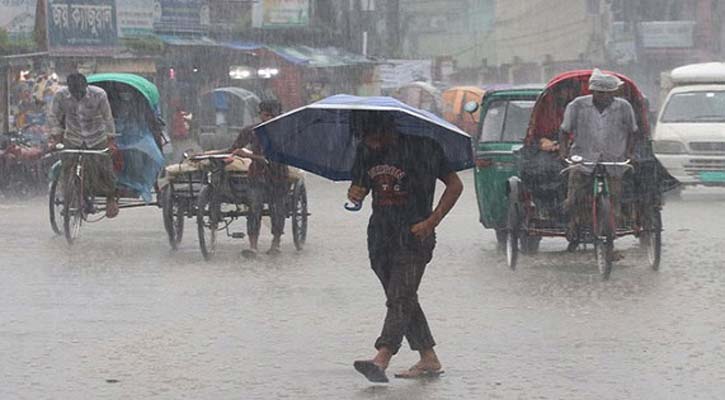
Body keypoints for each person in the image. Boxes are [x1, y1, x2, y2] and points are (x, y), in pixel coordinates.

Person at [347, 111, 463, 382]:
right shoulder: (365, 150)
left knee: (400, 297)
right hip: (379, 236)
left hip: (414, 235)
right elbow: (361, 187)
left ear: (388, 130)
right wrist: (355, 194)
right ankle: (429, 358)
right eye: (366, 138)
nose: (372, 144)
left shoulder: (423, 148)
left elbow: (455, 186)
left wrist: (433, 221)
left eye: (375, 138)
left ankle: (382, 357)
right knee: (403, 297)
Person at [559, 68, 637, 250]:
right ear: (593, 91)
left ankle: (608, 236)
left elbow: (633, 132)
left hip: (614, 158)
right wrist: (563, 152)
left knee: (614, 199)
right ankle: (575, 225)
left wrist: (630, 153)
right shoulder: (577, 105)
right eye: (601, 93)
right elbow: (564, 130)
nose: (606, 97)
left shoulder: (624, 107)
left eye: (609, 93)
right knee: (575, 198)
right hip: (583, 158)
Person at [48, 72, 119, 218]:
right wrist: (56, 137)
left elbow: (107, 118)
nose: (77, 96)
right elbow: (53, 115)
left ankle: (111, 198)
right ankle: (71, 196)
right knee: (66, 167)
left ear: (86, 86)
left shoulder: (99, 95)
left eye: (80, 92)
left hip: (96, 136)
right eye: (74, 92)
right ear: (69, 89)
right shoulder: (61, 96)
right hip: (72, 137)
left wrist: (111, 141)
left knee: (105, 168)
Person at [230, 100, 289, 257]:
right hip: (257, 176)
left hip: (278, 177)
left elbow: (270, 158)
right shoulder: (251, 131)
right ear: (260, 115)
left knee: (277, 210)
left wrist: (248, 155)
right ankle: (253, 246)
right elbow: (234, 148)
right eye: (265, 115)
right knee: (254, 208)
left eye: (272, 115)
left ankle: (275, 243)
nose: (268, 119)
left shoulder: (285, 132)